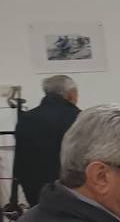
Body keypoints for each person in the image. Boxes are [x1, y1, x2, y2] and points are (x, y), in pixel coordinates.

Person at [13, 74, 80, 204]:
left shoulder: (26, 119)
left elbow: (20, 159)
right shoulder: (78, 118)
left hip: (34, 192)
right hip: (70, 192)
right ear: (71, 94)